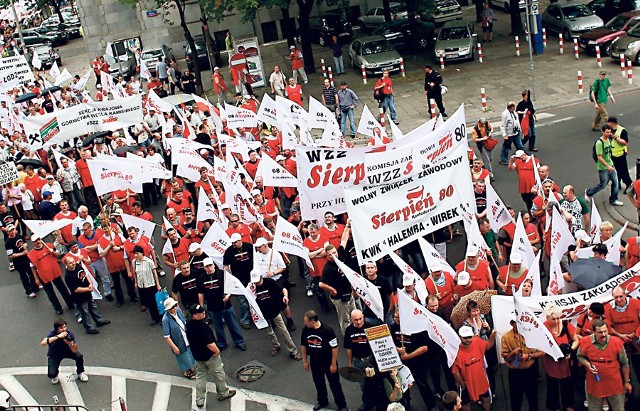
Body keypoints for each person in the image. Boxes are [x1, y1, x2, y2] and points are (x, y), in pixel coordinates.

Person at [185, 304, 236, 408]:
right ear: (195, 315)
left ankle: (200, 400)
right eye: (201, 313)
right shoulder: (203, 327)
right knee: (219, 373)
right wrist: (217, 352)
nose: (204, 313)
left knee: (200, 377)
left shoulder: (189, 323)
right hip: (209, 356)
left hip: (197, 356)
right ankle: (223, 393)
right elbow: (210, 344)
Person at [577, 319, 632, 411]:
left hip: (614, 384)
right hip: (594, 385)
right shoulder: (585, 342)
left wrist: (627, 382)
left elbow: (624, 363)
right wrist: (587, 365)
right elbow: (579, 356)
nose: (603, 334)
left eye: (605, 331)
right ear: (594, 332)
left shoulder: (617, 342)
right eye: (600, 332)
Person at [300, 310, 348, 411]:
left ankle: (341, 405)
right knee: (318, 382)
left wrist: (333, 364)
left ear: (312, 322)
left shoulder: (327, 330)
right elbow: (304, 346)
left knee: (335, 384)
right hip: (315, 361)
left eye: (306, 321)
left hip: (328, 361)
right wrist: (304, 361)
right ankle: (322, 401)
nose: (304, 323)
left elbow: (334, 348)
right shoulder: (306, 330)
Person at [250, 270, 302, 359]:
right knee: (270, 333)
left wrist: (285, 296)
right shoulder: (252, 288)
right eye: (255, 282)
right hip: (263, 315)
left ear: (261, 277)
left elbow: (283, 289)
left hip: (274, 311)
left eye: (258, 281)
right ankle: (275, 346)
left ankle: (293, 351)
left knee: (284, 331)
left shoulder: (270, 282)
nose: (257, 284)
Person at [197, 257, 246, 351]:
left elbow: (231, 286)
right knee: (218, 327)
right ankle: (222, 343)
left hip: (226, 306)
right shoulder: (201, 278)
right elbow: (201, 293)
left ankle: (239, 342)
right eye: (207, 266)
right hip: (212, 307)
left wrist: (228, 295)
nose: (209, 268)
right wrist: (202, 307)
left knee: (233, 325)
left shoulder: (223, 274)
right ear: (204, 268)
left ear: (214, 265)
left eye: (210, 265)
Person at [501, 313, 543, 411]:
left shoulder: (531, 333)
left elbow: (542, 352)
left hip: (530, 371)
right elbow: (506, 358)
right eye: (517, 322)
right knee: (516, 400)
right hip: (515, 372)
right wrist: (513, 352)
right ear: (512, 323)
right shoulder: (506, 337)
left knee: (533, 399)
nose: (520, 324)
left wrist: (528, 356)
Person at [543, 303, 579, 411]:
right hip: (551, 361)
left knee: (567, 384)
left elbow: (576, 340)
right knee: (552, 385)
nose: (557, 321)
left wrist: (570, 350)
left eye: (558, 318)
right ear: (548, 318)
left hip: (566, 362)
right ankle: (554, 406)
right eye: (553, 319)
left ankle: (569, 404)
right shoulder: (543, 327)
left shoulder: (566, 325)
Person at [452, 325, 496, 411]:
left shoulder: (477, 341)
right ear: (460, 337)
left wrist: (492, 336)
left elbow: (488, 346)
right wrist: (462, 383)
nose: (468, 339)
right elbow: (455, 371)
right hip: (467, 383)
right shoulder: (456, 351)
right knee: (466, 403)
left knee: (486, 399)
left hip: (480, 379)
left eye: (470, 337)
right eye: (465, 337)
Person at [28, 235, 75, 315]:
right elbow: (32, 267)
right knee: (50, 293)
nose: (38, 242)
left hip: (55, 272)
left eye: (39, 239)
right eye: (36, 241)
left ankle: (70, 304)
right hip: (44, 276)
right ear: (32, 242)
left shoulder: (49, 246)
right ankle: (58, 308)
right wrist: (36, 278)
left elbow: (58, 254)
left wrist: (53, 252)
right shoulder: (31, 254)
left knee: (63, 289)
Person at [63, 256, 110, 334]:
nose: (73, 263)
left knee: (93, 306)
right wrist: (88, 289)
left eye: (73, 261)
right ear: (66, 265)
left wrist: (90, 283)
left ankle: (99, 320)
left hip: (88, 293)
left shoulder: (78, 266)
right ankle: (89, 327)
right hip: (79, 297)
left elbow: (86, 274)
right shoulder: (68, 276)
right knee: (85, 312)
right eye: (70, 263)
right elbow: (76, 289)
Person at [604, 285, 640, 381]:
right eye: (616, 297)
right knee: (624, 366)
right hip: (620, 341)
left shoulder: (636, 304)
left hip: (636, 339)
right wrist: (621, 336)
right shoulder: (608, 308)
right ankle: (628, 388)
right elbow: (608, 326)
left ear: (625, 295)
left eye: (621, 296)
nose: (619, 300)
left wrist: (635, 334)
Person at [320, 244, 356, 335]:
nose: (334, 255)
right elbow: (321, 284)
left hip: (349, 292)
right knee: (345, 320)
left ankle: (356, 332)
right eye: (331, 254)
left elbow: (343, 241)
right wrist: (332, 290)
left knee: (354, 314)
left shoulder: (339, 256)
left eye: (335, 252)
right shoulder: (328, 268)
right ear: (327, 256)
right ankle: (348, 336)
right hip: (340, 298)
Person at [344, 309, 376, 411]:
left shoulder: (370, 327)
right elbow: (348, 347)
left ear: (363, 317)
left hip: (371, 360)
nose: (359, 322)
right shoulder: (349, 330)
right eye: (356, 320)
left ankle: (377, 402)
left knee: (375, 382)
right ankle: (367, 404)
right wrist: (349, 363)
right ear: (351, 319)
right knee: (363, 384)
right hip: (358, 360)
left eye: (360, 319)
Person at [40, 319, 89, 384]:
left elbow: (75, 350)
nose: (64, 329)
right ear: (56, 329)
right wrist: (58, 337)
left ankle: (80, 372)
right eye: (61, 328)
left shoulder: (69, 334)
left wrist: (70, 343)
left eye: (65, 327)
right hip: (55, 353)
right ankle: (55, 374)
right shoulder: (52, 333)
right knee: (51, 374)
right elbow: (43, 343)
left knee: (79, 356)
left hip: (67, 351)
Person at [585, 125, 623, 206]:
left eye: (609, 132)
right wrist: (607, 166)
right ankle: (588, 192)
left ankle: (614, 199)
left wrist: (611, 164)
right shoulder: (599, 143)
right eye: (607, 132)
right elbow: (599, 157)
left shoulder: (609, 139)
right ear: (602, 132)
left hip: (611, 165)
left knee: (615, 182)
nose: (609, 134)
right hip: (603, 168)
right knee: (603, 184)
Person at [162, 297, 196, 380]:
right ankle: (187, 371)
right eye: (172, 307)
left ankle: (190, 368)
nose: (174, 308)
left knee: (189, 353)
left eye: (174, 306)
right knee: (183, 357)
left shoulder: (178, 311)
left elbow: (184, 321)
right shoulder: (165, 320)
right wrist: (174, 347)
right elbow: (167, 336)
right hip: (178, 341)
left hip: (186, 337)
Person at [131, 245, 162, 325]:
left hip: (150, 285)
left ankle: (159, 317)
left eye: (137, 253)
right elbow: (135, 273)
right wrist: (136, 283)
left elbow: (155, 273)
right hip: (142, 286)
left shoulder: (149, 261)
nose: (136, 255)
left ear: (142, 253)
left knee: (154, 302)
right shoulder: (134, 262)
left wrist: (158, 284)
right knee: (148, 302)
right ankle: (154, 317)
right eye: (135, 253)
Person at [607, 116, 632, 194]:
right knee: (615, 172)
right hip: (612, 155)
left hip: (621, 155)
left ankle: (629, 185)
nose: (608, 124)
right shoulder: (610, 130)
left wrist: (616, 138)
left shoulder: (622, 130)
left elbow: (625, 142)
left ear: (612, 123)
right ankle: (618, 184)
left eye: (608, 123)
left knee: (623, 172)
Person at [500, 101, 525, 165]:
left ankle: (522, 157)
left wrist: (520, 130)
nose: (515, 108)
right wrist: (504, 135)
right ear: (510, 107)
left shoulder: (514, 113)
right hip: (509, 134)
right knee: (506, 147)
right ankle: (503, 159)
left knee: (520, 146)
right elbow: (502, 125)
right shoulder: (505, 114)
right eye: (513, 107)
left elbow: (517, 121)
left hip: (516, 133)